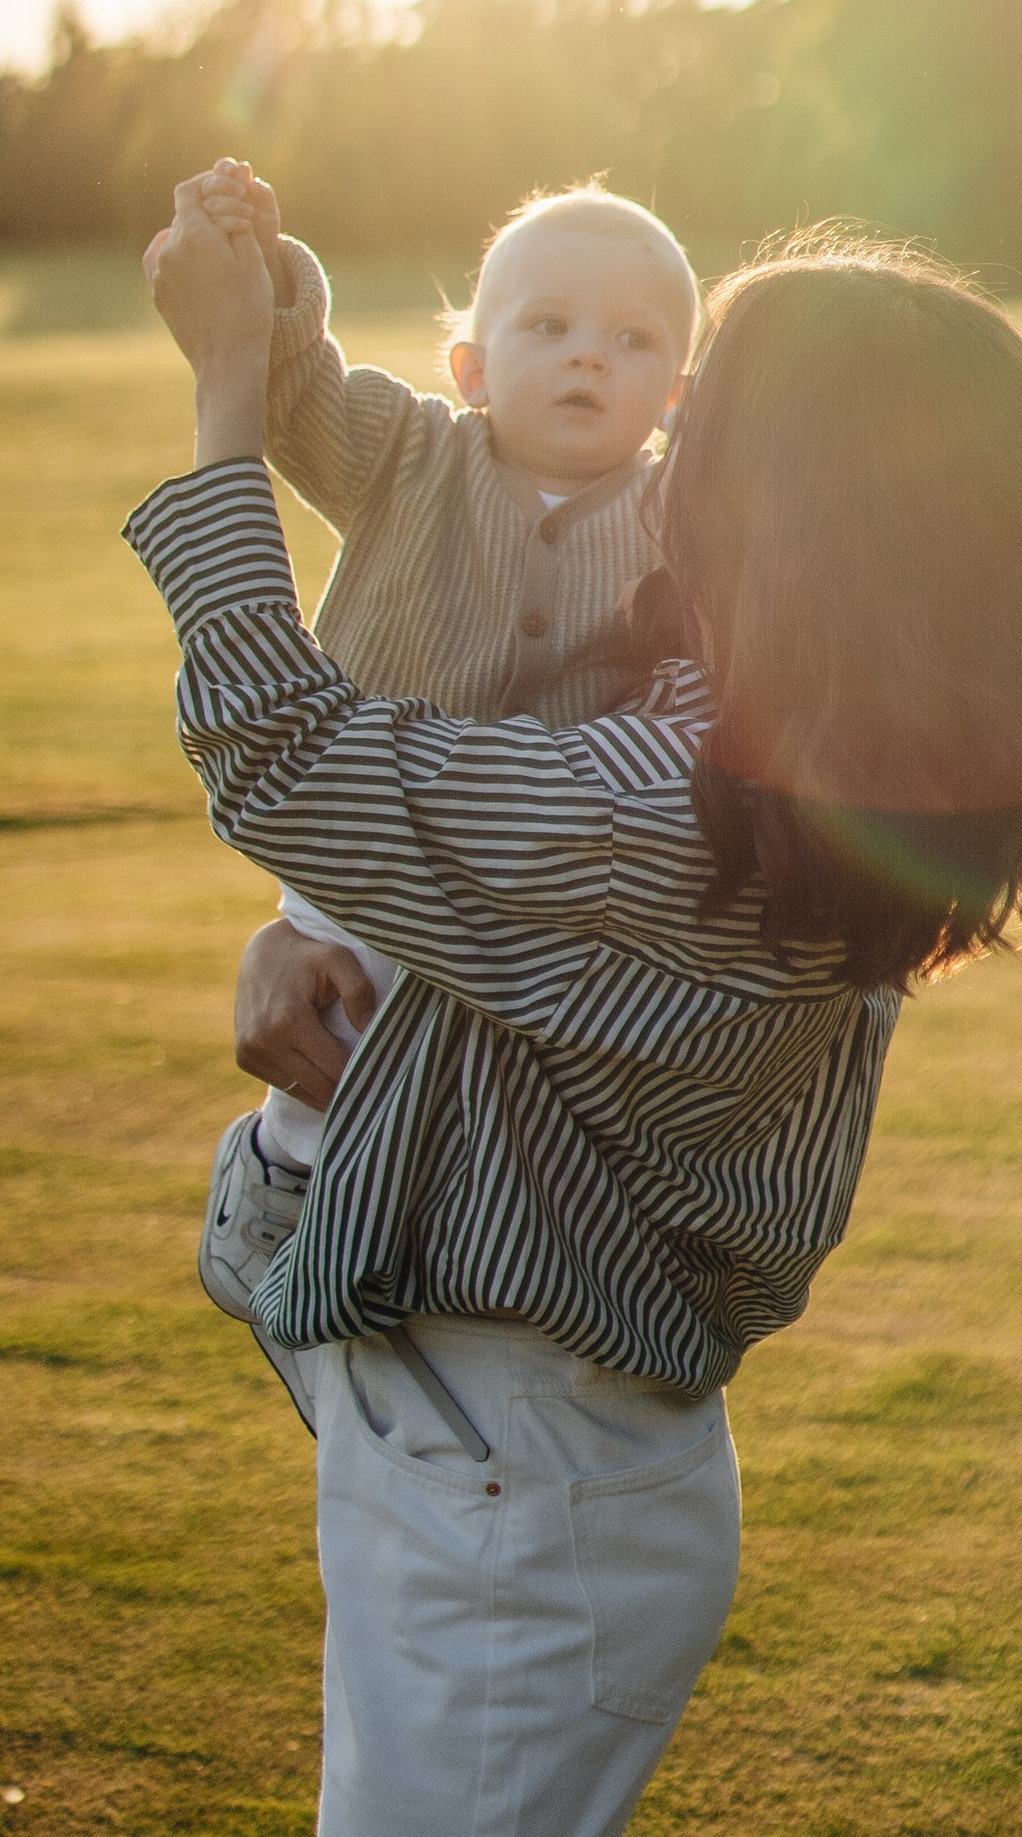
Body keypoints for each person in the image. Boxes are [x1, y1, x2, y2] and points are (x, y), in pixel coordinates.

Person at [130, 179, 1022, 1837]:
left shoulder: (675, 803)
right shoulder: (809, 767)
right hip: (535, 1465)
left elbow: (283, 752)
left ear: (788, 512)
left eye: (714, 426)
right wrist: (346, 931)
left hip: (518, 1509)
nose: (671, 461)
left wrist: (226, 393)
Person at [185, 161, 702, 1357]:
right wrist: (267, 270)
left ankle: (432, 1243)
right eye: (547, 326)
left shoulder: (681, 517)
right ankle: (278, 1189)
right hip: (365, 839)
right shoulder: (407, 453)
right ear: (469, 366)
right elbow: (290, 391)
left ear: (674, 394)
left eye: (630, 340)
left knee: (468, 1078)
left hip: (531, 877)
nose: (587, 358)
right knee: (342, 1021)